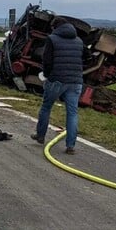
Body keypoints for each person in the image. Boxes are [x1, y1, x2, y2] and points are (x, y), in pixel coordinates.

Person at [32, 17, 86, 154]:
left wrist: (47, 75)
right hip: (76, 81)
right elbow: (85, 56)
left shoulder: (52, 39)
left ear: (55, 27)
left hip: (57, 80)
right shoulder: (79, 41)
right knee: (72, 113)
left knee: (46, 107)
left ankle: (40, 135)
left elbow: (47, 60)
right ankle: (70, 146)